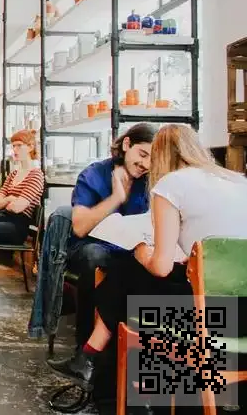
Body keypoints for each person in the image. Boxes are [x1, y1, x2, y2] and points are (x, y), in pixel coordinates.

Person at [48, 124, 247, 392]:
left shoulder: (171, 184)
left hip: (210, 317)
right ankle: (95, 362)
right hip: (241, 316)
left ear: (161, 156)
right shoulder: (238, 181)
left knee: (125, 274)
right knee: (129, 278)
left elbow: (161, 267)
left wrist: (142, 252)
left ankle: (97, 363)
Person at [28, 123, 156, 342]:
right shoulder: (94, 174)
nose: (145, 164)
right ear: (127, 144)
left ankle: (132, 344)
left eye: (151, 159)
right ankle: (85, 347)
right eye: (142, 154)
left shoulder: (149, 181)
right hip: (88, 247)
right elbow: (80, 227)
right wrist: (116, 198)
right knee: (96, 256)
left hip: (131, 249)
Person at [0, 129, 44, 248]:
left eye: (19, 146)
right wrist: (10, 198)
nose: (15, 150)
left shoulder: (36, 175)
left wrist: (6, 201)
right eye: (13, 146)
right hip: (2, 216)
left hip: (18, 225)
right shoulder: (13, 174)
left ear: (30, 147)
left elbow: (17, 208)